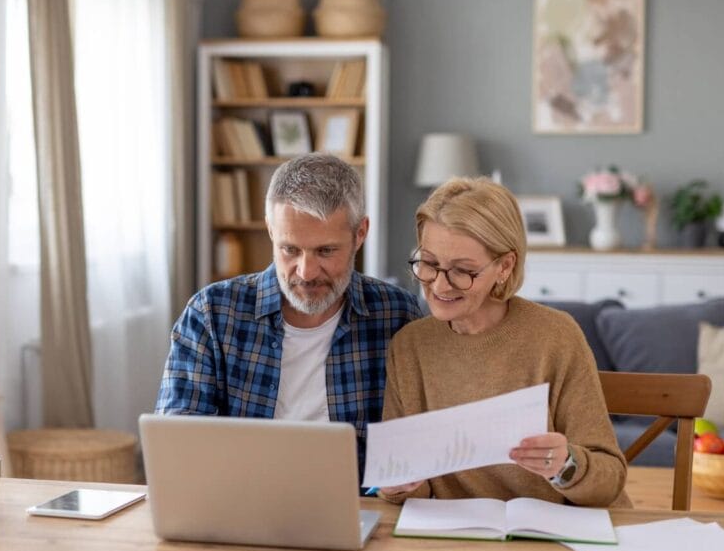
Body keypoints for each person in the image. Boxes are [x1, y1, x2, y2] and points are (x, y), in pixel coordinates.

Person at [156, 154, 422, 476]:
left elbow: (415, 437)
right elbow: (179, 444)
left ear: (360, 233)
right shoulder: (211, 314)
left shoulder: (397, 315)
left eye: (326, 251)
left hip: (357, 506)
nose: (306, 273)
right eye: (290, 249)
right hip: (241, 503)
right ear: (271, 230)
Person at [380, 176, 630, 507]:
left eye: (462, 270)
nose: (439, 286)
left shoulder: (556, 336)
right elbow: (414, 489)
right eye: (429, 263)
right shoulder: (410, 346)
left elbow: (608, 478)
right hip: (455, 541)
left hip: (553, 538)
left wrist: (565, 465)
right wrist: (400, 485)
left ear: (504, 265)